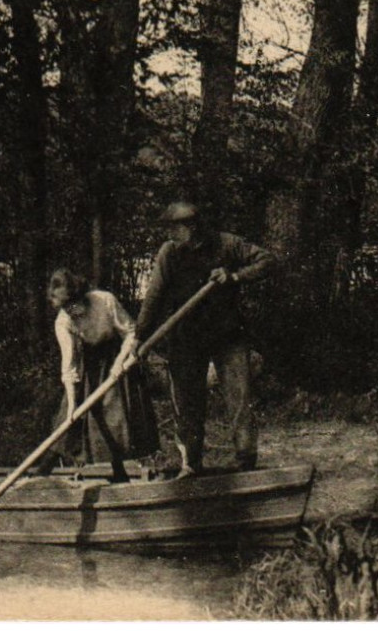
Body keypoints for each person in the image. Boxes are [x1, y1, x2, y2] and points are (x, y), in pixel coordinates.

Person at [119, 201, 275, 476]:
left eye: (174, 228)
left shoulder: (227, 244)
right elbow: (153, 299)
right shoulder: (169, 253)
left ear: (191, 226)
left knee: (239, 398)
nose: (169, 235)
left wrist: (235, 276)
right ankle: (190, 464)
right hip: (186, 337)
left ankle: (245, 462)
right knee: (187, 401)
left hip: (227, 335)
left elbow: (267, 260)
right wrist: (139, 338)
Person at [48, 269, 160, 481]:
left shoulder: (104, 300)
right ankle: (44, 469)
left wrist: (119, 363)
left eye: (73, 303)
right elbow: (69, 365)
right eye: (66, 307)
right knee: (71, 416)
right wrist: (73, 404)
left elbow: (130, 332)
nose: (71, 310)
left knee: (117, 414)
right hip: (89, 363)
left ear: (81, 296)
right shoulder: (63, 322)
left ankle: (120, 472)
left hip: (117, 355)